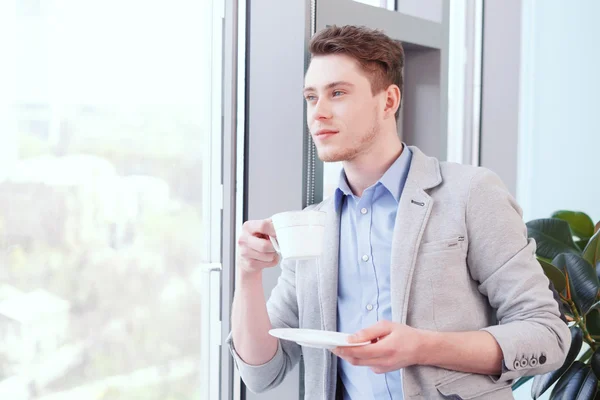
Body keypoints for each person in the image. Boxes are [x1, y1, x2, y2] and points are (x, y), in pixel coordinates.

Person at [228, 25, 570, 399]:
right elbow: (262, 373)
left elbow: (547, 336)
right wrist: (247, 274)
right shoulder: (311, 226)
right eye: (311, 97)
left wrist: (421, 346)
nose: (318, 113)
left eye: (337, 93)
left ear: (388, 101)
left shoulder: (471, 193)